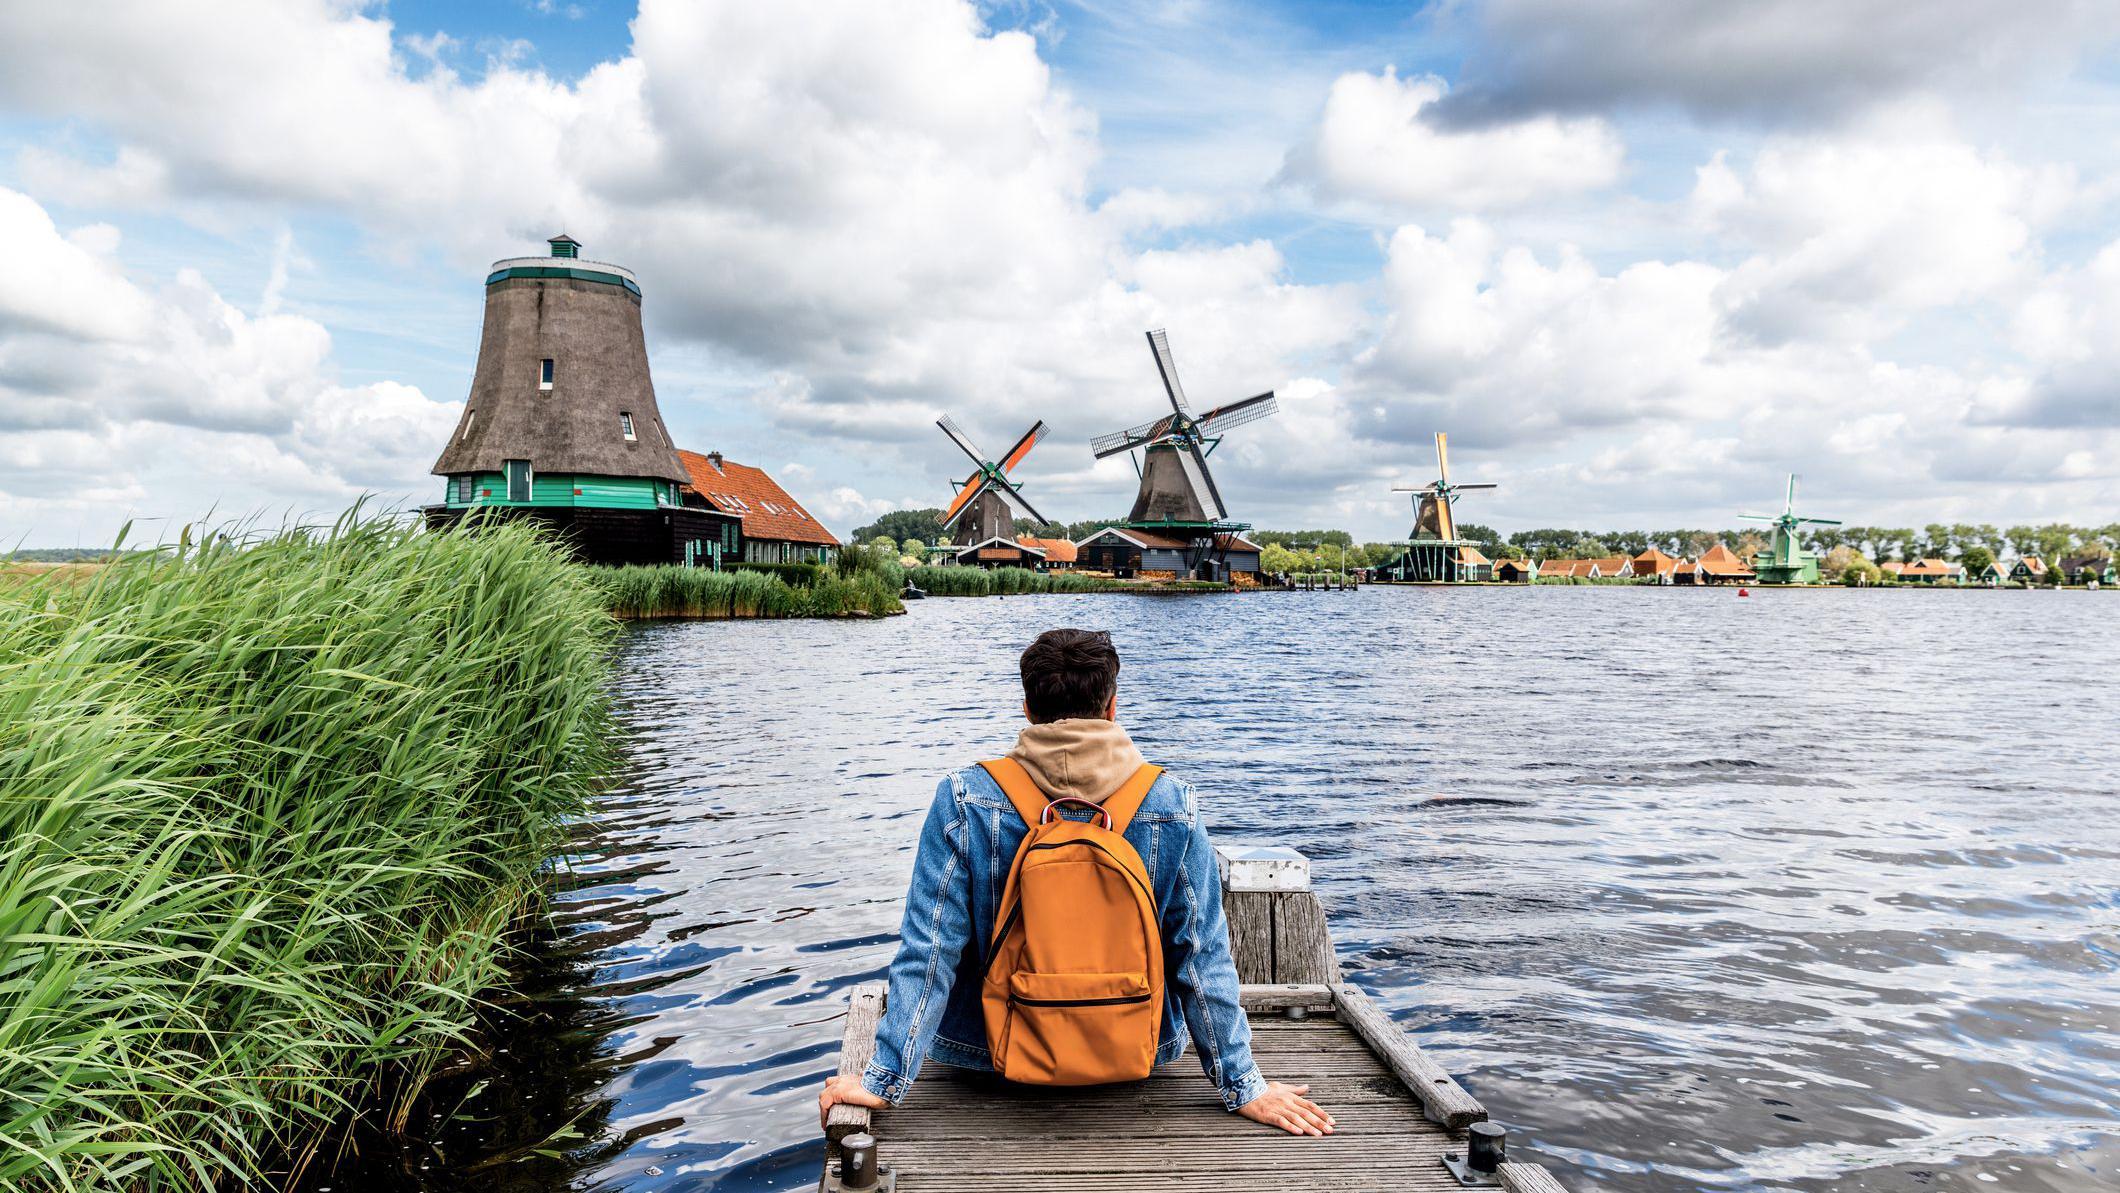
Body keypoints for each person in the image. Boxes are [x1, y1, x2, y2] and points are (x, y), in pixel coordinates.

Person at [817, 628, 1333, 1136]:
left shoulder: (964, 798)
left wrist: (884, 1079)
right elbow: (1200, 956)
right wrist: (1246, 1085)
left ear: (1027, 707)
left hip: (988, 1056)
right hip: (1135, 1051)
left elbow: (929, 952)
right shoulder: (1171, 803)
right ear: (1111, 707)